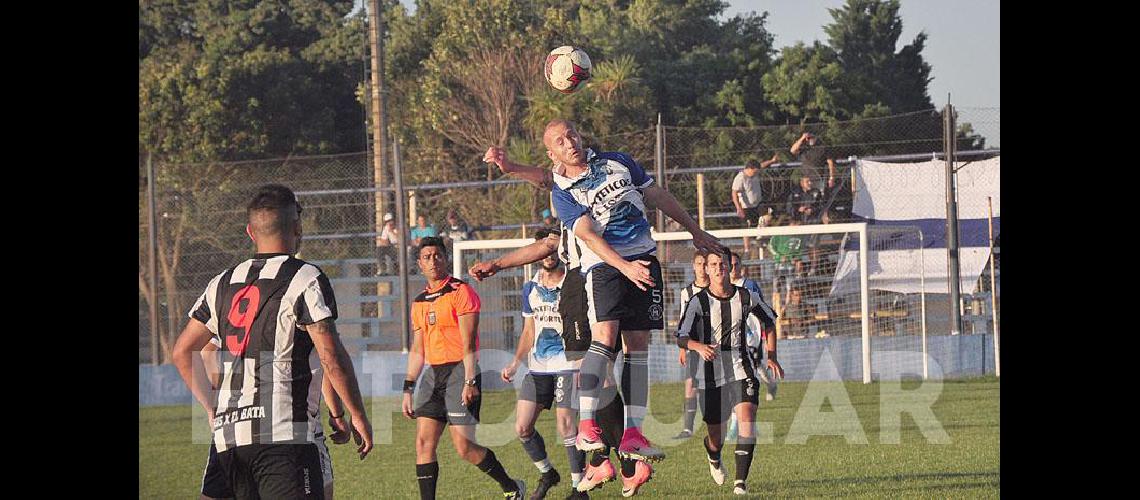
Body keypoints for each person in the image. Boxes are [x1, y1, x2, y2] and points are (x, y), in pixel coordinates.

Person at [173, 184, 373, 500]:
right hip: (284, 436)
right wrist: (357, 414)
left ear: (251, 232)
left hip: (229, 439)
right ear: (297, 227)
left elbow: (184, 351)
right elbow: (330, 357)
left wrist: (213, 409)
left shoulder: (222, 282)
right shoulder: (305, 277)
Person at [401, 236, 526, 500]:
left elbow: (469, 343)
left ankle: (511, 486)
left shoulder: (461, 292)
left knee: (464, 447)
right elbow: (417, 350)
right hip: (432, 375)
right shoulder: (419, 302)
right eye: (427, 257)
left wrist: (470, 381)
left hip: (461, 371)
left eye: (437, 255)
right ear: (419, 264)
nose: (433, 261)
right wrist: (408, 387)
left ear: (445, 259)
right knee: (423, 444)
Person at [676, 250, 784, 496]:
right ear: (707, 269)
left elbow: (769, 321)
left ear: (729, 267)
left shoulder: (746, 296)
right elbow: (681, 337)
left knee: (747, 418)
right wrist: (698, 346)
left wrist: (772, 356)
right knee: (716, 436)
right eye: (712, 264)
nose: (717, 268)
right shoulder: (698, 301)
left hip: (741, 366)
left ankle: (740, 483)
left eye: (722, 264)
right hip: (710, 371)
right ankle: (713, 456)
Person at [499, 230, 586, 498]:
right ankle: (548, 473)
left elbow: (582, 325)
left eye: (552, 249)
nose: (548, 255)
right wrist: (515, 362)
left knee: (565, 424)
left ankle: (578, 488)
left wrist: (582, 360)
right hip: (538, 367)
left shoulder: (574, 283)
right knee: (522, 427)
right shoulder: (530, 288)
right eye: (543, 249)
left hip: (567, 363)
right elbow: (528, 330)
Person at [674, 250, 710, 440]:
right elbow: (682, 321)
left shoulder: (716, 287)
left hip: (714, 344)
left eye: (705, 264)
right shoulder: (686, 292)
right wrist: (682, 347)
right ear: (693, 266)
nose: (702, 268)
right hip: (694, 345)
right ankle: (688, 428)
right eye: (698, 264)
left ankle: (721, 422)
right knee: (691, 385)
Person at [731, 154, 779, 255]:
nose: (756, 173)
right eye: (755, 171)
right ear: (749, 169)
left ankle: (759, 237)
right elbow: (734, 193)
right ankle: (747, 249)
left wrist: (772, 161)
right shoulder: (740, 178)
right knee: (746, 228)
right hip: (746, 207)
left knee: (768, 216)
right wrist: (738, 208)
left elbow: (762, 165)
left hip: (757, 204)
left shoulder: (754, 173)